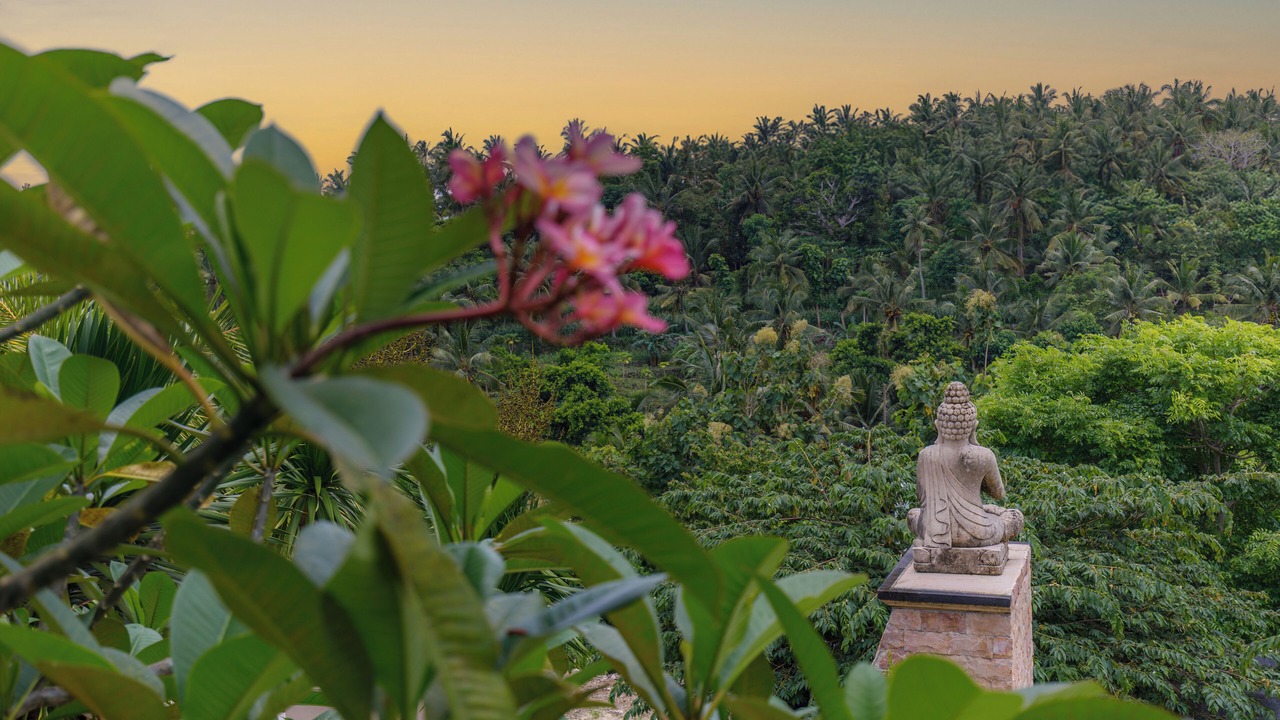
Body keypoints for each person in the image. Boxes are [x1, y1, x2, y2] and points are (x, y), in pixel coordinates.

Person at [907, 382, 1023, 549]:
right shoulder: (984, 456)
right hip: (978, 534)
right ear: (974, 426)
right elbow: (998, 494)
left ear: (938, 426)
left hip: (933, 531)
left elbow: (922, 498)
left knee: (913, 514)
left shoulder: (926, 455)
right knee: (1014, 516)